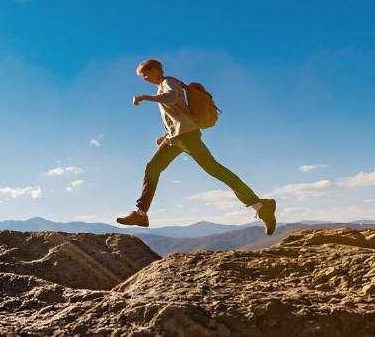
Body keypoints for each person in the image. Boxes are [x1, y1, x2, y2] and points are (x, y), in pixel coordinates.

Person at [117, 59, 277, 235]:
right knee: (152, 168)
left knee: (215, 170)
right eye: (143, 76)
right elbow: (178, 113)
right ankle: (141, 214)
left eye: (146, 74)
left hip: (187, 137)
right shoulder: (161, 87)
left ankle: (261, 205)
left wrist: (144, 97)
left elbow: (171, 98)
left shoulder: (169, 82)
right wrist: (165, 135)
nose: (145, 78)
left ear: (156, 70)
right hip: (174, 138)